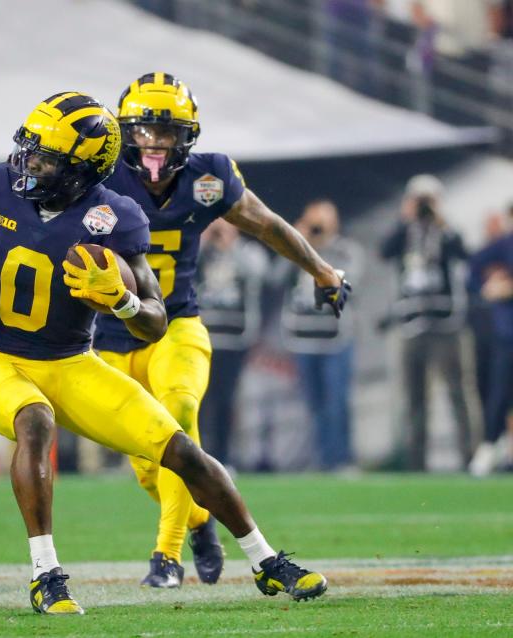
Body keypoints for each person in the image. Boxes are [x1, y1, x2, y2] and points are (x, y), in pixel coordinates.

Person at [0, 91, 335, 612]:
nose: (29, 163)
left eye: (46, 157)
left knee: (181, 450)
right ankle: (47, 576)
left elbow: (156, 321)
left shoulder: (115, 216)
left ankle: (267, 560)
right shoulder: (1, 186)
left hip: (72, 362)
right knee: (35, 421)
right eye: (30, 150)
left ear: (81, 168)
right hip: (3, 359)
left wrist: (125, 301)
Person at [93, 73, 352, 589]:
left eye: (167, 132)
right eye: (143, 130)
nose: (154, 143)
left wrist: (321, 269)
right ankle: (200, 520)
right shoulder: (98, 179)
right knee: (149, 466)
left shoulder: (208, 177)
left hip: (177, 326)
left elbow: (265, 223)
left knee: (180, 416)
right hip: (110, 337)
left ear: (188, 136)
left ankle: (165, 558)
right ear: (125, 131)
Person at [380, 174, 474, 471]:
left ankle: (470, 458)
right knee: (415, 399)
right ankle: (416, 463)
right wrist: (405, 219)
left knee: (458, 393)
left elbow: (463, 252)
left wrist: (440, 220)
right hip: (411, 324)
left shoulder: (446, 232)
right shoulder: (406, 233)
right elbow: (385, 251)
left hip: (446, 324)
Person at [272, 199, 364, 471]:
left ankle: (342, 460)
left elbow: (350, 283)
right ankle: (324, 459)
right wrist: (293, 243)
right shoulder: (296, 249)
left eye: (323, 221)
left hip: (336, 338)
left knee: (337, 402)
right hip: (303, 339)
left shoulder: (345, 251)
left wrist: (318, 253)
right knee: (315, 405)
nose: (318, 226)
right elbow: (275, 278)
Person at [196, 219, 267, 467]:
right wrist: (205, 240)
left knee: (225, 401)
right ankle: (196, 457)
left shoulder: (248, 252)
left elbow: (259, 273)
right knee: (197, 400)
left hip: (234, 339)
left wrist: (231, 245)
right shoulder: (202, 251)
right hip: (201, 337)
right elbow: (184, 266)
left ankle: (222, 458)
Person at [467, 204, 513, 476]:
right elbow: (473, 268)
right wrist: (491, 285)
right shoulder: (505, 244)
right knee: (499, 393)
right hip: (507, 334)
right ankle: (490, 445)